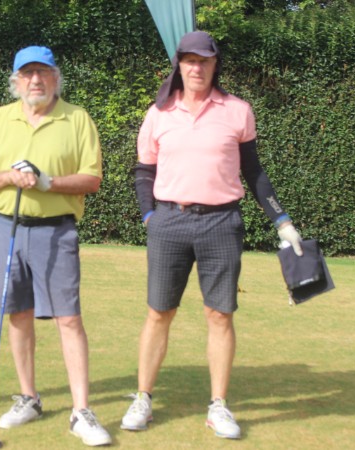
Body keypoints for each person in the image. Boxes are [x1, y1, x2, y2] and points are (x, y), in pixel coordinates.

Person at [124, 31, 303, 440]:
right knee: (158, 312)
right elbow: (144, 171)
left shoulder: (238, 111)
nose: (197, 67)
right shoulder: (159, 113)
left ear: (214, 64)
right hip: (169, 222)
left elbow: (254, 172)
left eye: (204, 60)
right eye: (190, 60)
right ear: (179, 65)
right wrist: (149, 216)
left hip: (222, 223)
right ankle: (143, 398)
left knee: (220, 314)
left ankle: (218, 406)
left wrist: (282, 220)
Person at [0, 46, 112, 447]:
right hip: (4, 228)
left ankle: (81, 411)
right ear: (15, 81)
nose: (35, 80)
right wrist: (9, 177)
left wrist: (47, 182)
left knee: (69, 318)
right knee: (17, 314)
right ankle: (29, 397)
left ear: (55, 78)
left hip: (56, 230)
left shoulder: (77, 118)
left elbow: (91, 179)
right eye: (27, 73)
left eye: (43, 73)